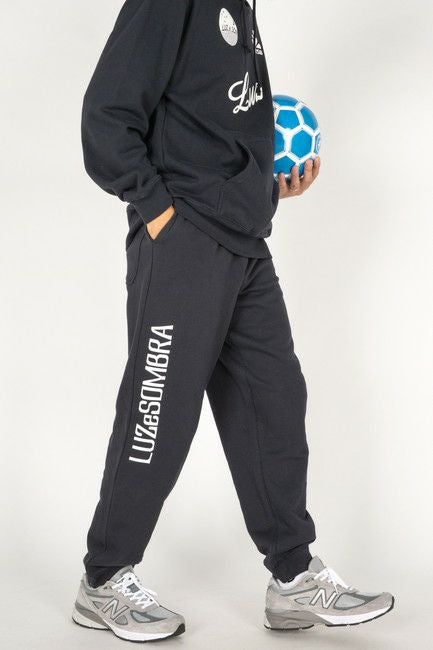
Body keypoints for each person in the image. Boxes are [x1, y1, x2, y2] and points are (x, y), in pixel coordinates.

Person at [72, 0, 394, 642]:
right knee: (160, 412)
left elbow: (209, 126)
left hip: (245, 239)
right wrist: (159, 211)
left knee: (275, 399)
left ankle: (293, 578)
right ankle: (104, 579)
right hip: (184, 239)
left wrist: (266, 188)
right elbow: (105, 115)